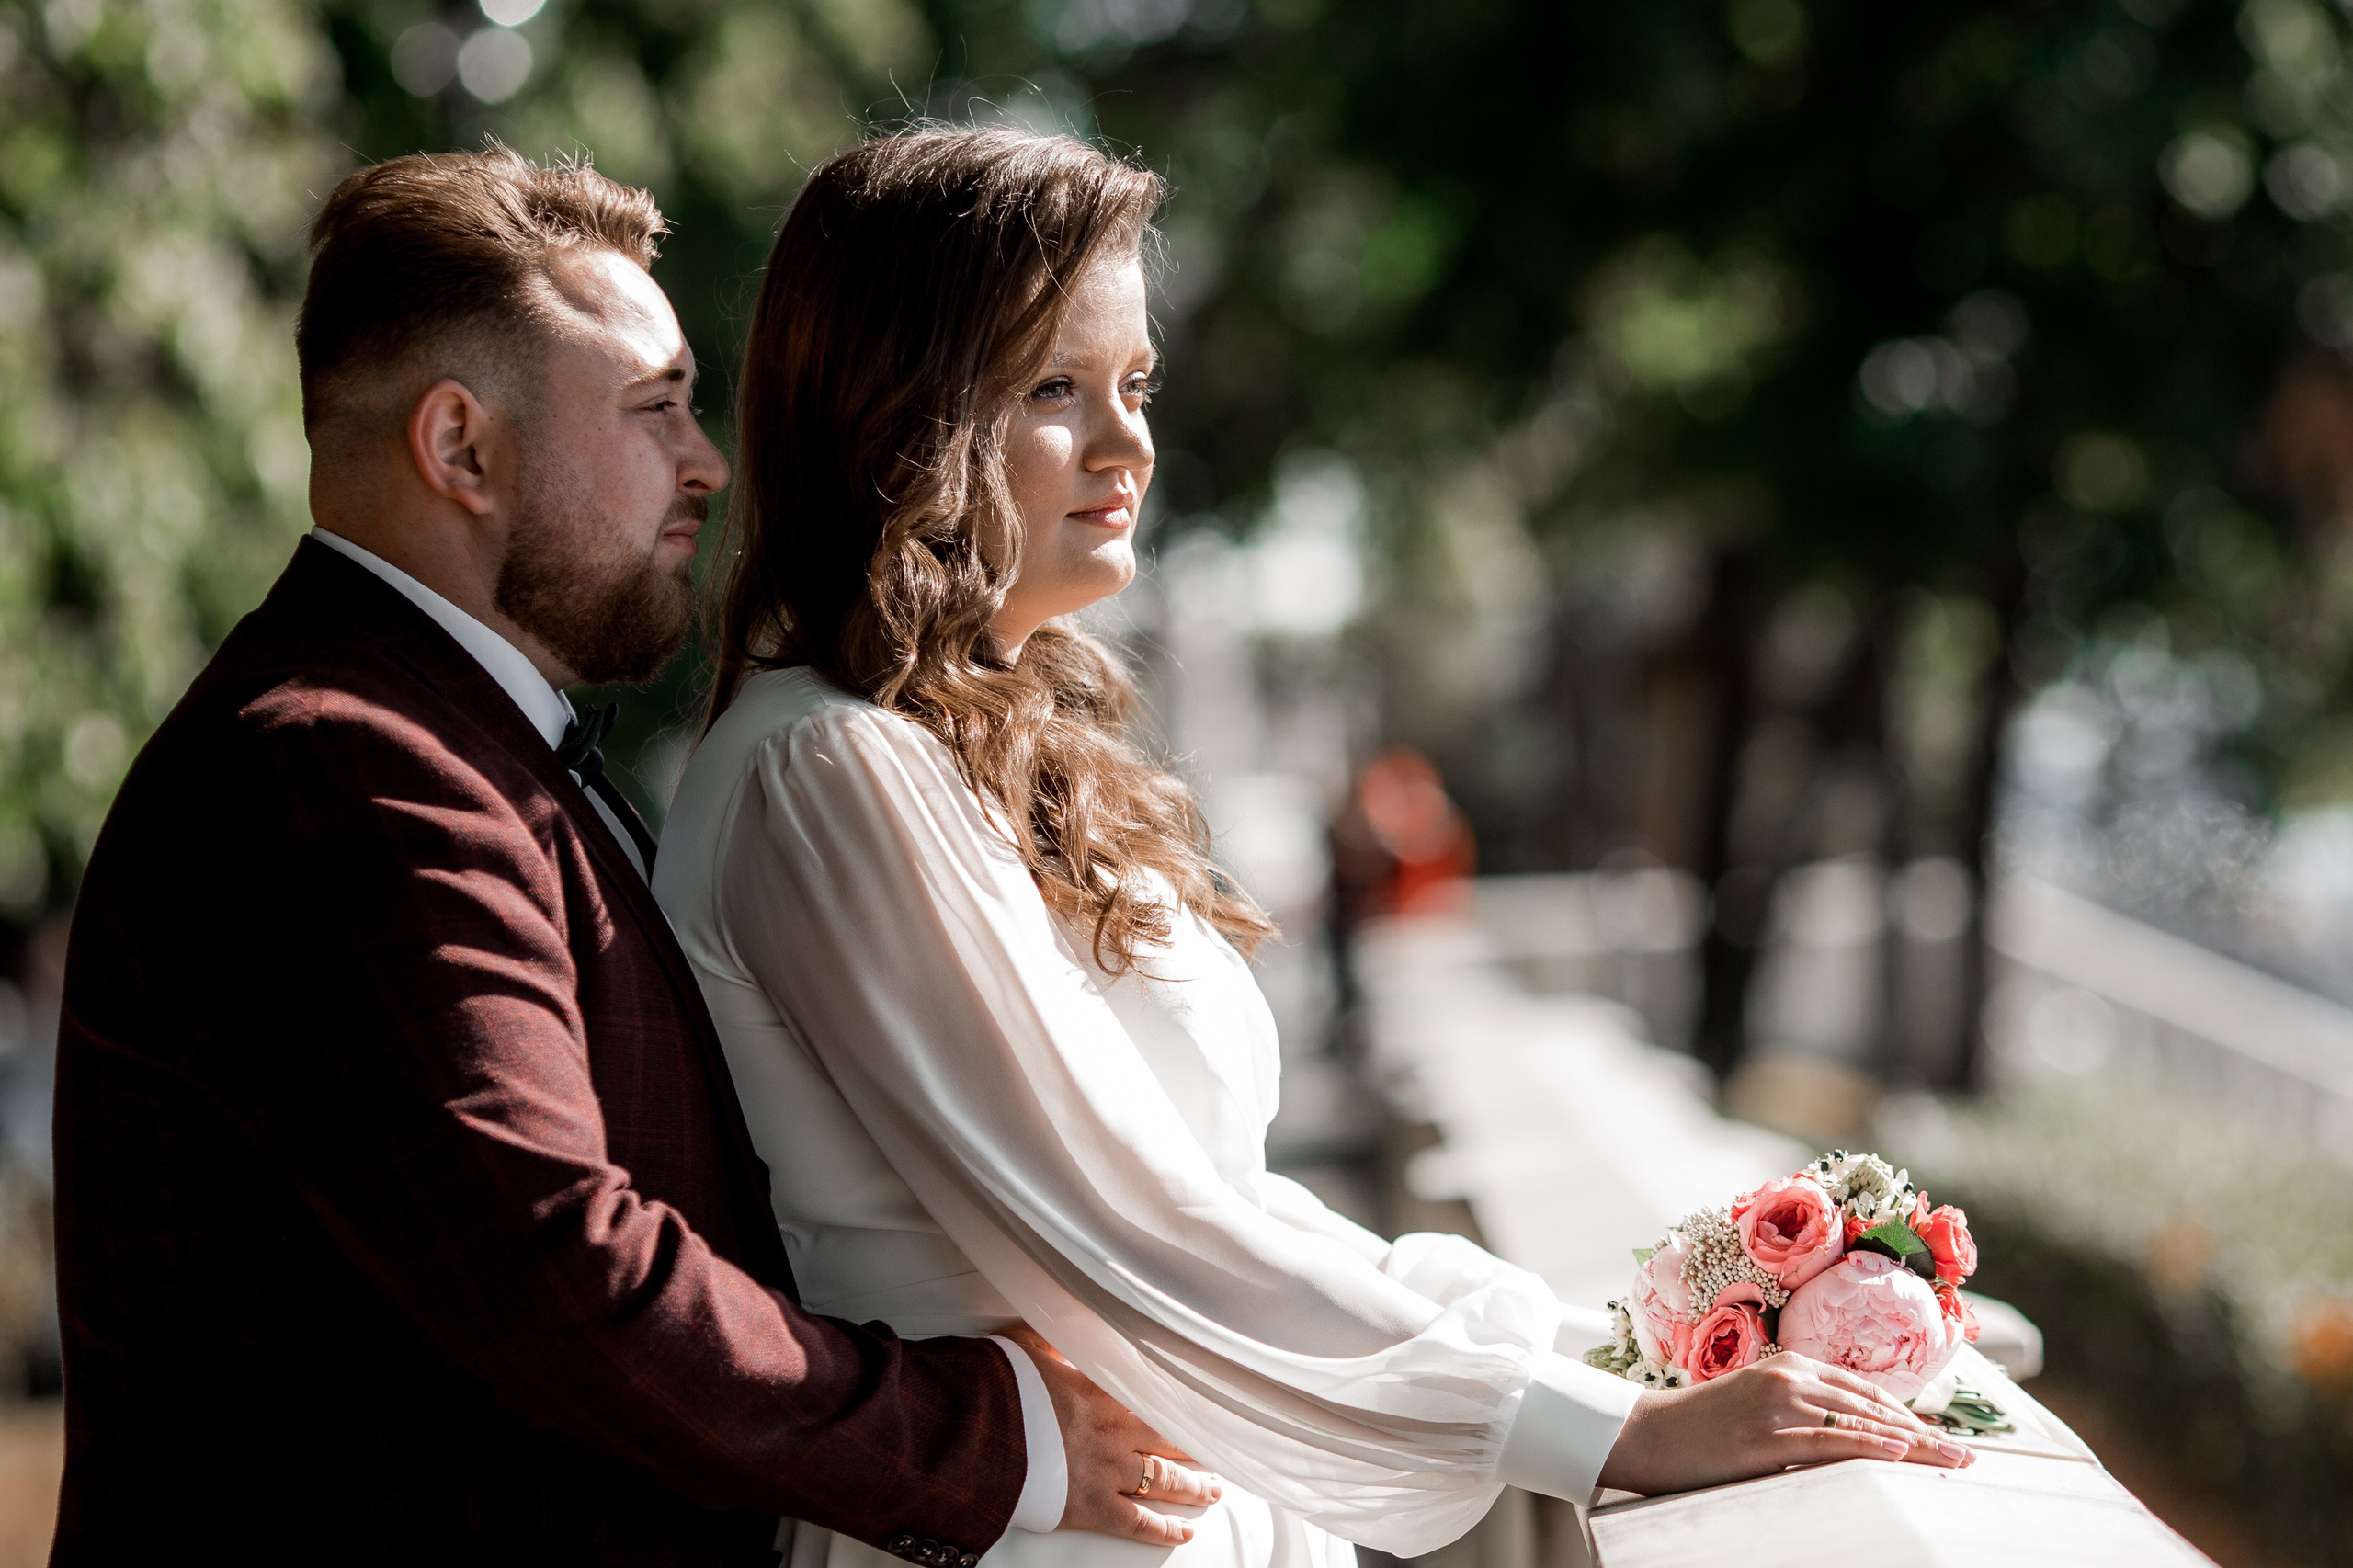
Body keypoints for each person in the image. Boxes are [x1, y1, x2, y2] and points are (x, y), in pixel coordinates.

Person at [655, 125, 1973, 1568]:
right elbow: (1134, 1219)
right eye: (1052, 387)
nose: (1129, 443)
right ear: (893, 417)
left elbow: (1224, 1201)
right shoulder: (821, 768)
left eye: (1136, 384)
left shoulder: (970, 750)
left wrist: (1626, 1355)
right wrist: (1609, 1432)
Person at [49, 148, 1217, 1566]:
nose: (708, 462)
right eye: (656, 409)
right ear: (462, 449)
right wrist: (999, 1436)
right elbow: (560, 1273)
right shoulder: (334, 765)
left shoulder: (469, 746)